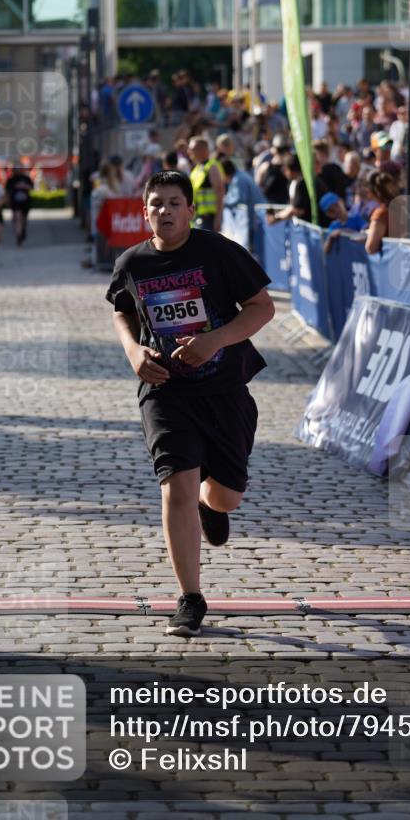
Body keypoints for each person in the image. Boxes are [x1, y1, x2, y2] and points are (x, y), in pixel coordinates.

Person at [106, 170, 274, 636]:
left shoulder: (218, 252)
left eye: (174, 203)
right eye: (156, 203)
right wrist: (134, 351)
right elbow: (121, 308)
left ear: (190, 210)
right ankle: (190, 598)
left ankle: (211, 504)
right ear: (145, 212)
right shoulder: (132, 263)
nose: (165, 211)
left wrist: (213, 341)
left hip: (223, 391)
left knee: (227, 495)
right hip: (165, 391)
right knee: (175, 487)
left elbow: (263, 307)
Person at [188, 136, 225, 232]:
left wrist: (218, 218)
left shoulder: (212, 167)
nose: (189, 152)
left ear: (202, 150)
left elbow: (220, 192)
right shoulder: (196, 169)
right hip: (199, 217)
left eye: (192, 149)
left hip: (210, 219)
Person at [5, 166, 34, 246]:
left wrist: (24, 186)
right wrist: (7, 201)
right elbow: (7, 191)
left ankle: (22, 231)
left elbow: (31, 187)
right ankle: (18, 235)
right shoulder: (11, 180)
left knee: (23, 219)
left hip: (25, 202)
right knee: (17, 217)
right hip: (15, 203)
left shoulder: (26, 178)